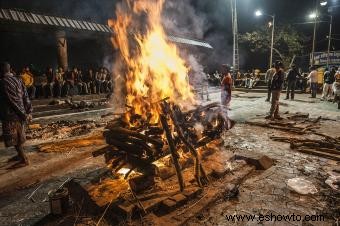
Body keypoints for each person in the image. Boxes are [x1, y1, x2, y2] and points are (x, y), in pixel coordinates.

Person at [0, 62, 32, 166]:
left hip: (12, 115)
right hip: (20, 113)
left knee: (15, 139)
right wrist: (28, 111)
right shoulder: (18, 79)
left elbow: (12, 100)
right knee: (19, 136)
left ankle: (24, 159)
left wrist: (23, 114)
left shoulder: (3, 82)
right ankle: (20, 155)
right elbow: (25, 96)